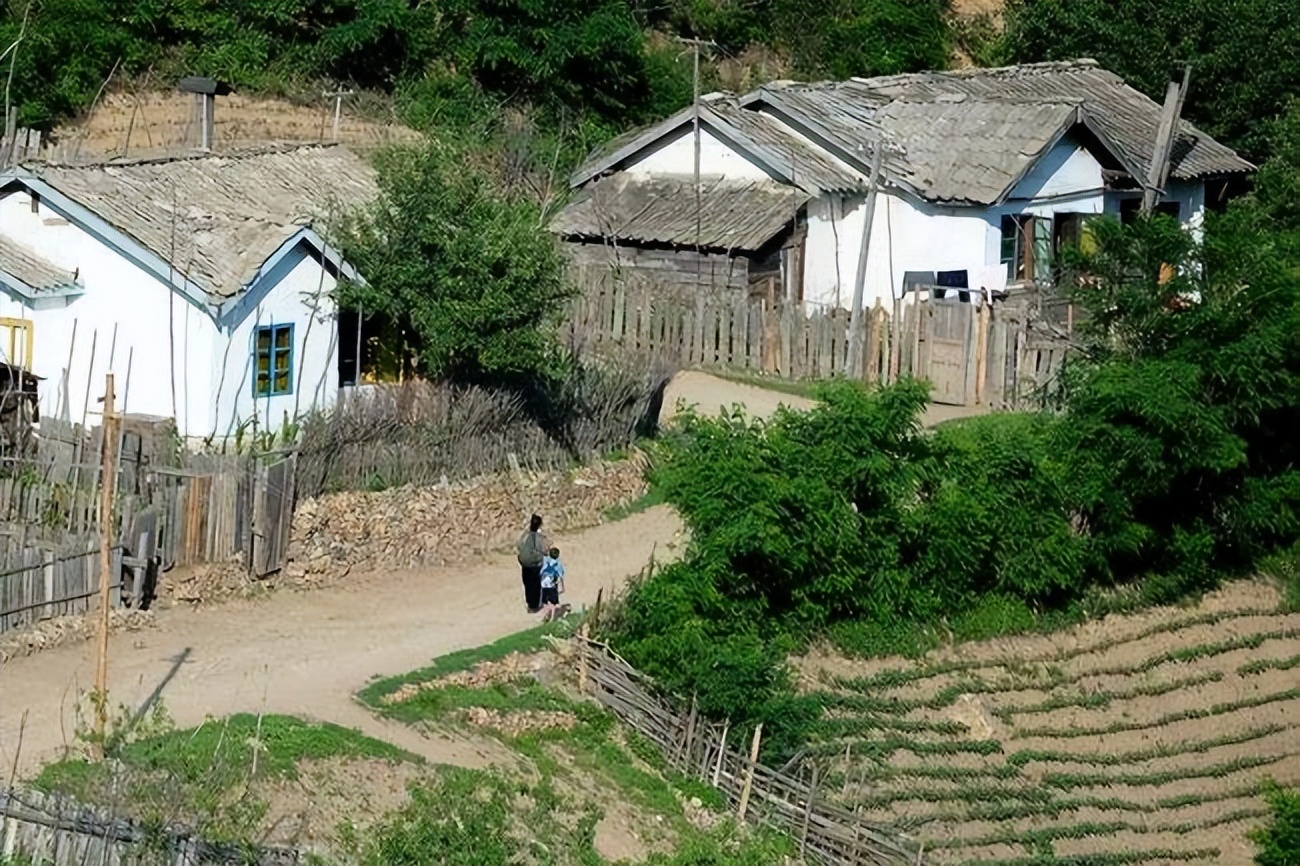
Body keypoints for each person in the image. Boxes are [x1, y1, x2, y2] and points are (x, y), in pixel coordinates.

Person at [516, 514, 548, 612]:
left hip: (524, 563)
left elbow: (519, 545)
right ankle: (535, 605)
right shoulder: (538, 537)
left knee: (527, 583)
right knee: (535, 584)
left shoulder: (525, 535)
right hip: (534, 563)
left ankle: (530, 603)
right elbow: (544, 550)